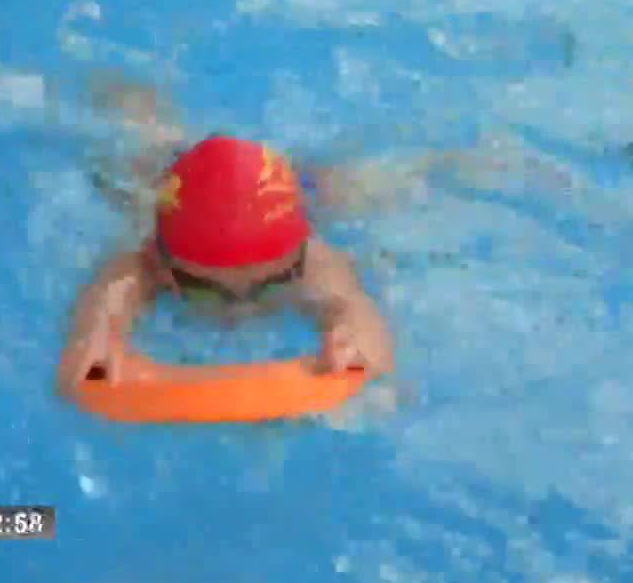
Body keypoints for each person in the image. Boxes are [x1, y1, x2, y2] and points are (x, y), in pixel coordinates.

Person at [55, 81, 399, 397]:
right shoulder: (141, 262)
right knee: (138, 142)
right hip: (159, 182)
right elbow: (107, 304)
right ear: (158, 262)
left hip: (305, 188)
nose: (242, 311)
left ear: (302, 254)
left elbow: (352, 309)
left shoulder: (313, 262)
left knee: (361, 187)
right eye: (206, 290)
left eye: (272, 284)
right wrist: (96, 336)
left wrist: (355, 343)